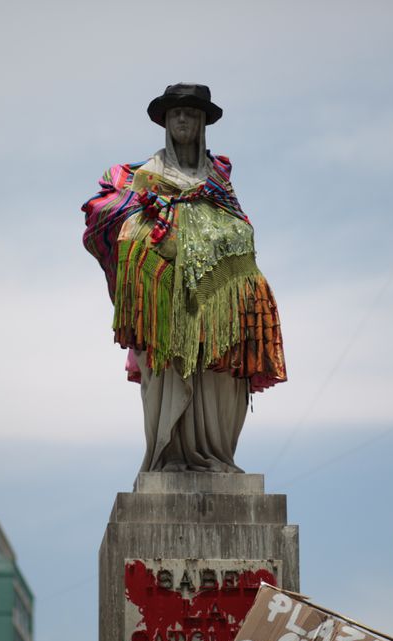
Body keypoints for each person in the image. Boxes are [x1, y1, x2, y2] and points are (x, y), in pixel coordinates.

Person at [82, 83, 287, 473]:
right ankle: (170, 454)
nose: (182, 119)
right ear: (164, 122)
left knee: (219, 376)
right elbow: (111, 220)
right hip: (164, 303)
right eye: (175, 113)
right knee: (168, 372)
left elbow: (239, 231)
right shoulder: (143, 177)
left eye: (191, 113)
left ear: (203, 123)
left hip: (216, 305)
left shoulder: (219, 182)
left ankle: (215, 454)